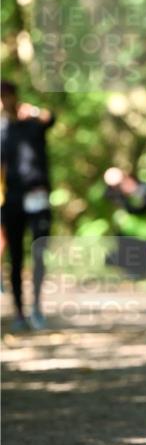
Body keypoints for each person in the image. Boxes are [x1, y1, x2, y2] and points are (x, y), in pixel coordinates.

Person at [0, 80, 55, 331]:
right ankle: (19, 313)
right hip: (12, 198)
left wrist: (31, 111)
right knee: (16, 257)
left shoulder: (33, 123)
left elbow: (51, 118)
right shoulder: (2, 130)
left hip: (37, 194)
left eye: (6, 96)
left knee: (39, 252)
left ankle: (37, 307)